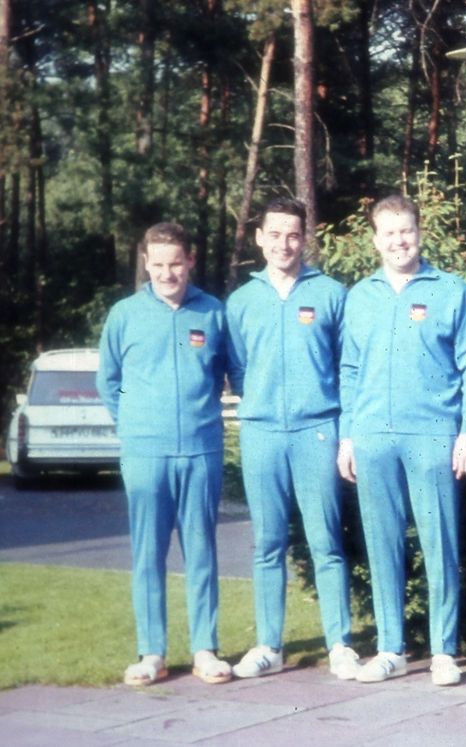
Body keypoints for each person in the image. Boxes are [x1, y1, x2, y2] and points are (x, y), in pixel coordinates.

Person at [337, 194, 466, 687]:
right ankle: (390, 648)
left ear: (420, 234)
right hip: (373, 435)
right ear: (375, 239)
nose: (399, 241)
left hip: (432, 434)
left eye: (407, 231)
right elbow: (350, 370)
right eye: (389, 233)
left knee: (440, 541)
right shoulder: (360, 296)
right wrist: (347, 437)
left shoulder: (452, 291)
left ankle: (443, 650)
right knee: (381, 544)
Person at [226, 198, 360, 681]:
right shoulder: (241, 301)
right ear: (259, 238)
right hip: (262, 432)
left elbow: (347, 365)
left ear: (306, 239)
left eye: (293, 235)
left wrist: (344, 434)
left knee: (325, 541)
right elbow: (238, 367)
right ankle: (269, 645)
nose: (284, 244)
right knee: (267, 544)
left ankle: (340, 643)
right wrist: (260, 404)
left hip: (316, 431)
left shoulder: (330, 294)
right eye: (275, 234)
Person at [97, 222, 231, 687]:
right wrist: (137, 425)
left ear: (190, 261)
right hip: (145, 453)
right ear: (146, 264)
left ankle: (204, 649)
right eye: (158, 265)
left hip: (200, 450)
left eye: (176, 263)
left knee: (201, 552)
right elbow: (108, 382)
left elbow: (222, 375)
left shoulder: (213, 312)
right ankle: (151, 652)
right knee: (148, 553)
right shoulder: (124, 314)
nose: (167, 273)